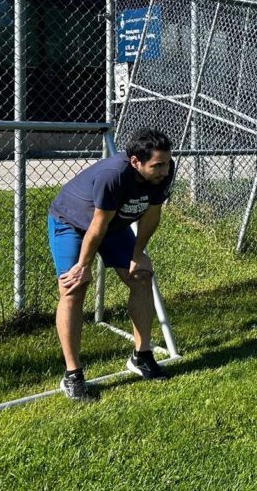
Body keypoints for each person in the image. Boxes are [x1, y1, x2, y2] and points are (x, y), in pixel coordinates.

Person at [47, 128, 176, 402]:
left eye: (167, 162)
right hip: (72, 223)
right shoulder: (113, 176)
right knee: (74, 287)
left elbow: (152, 215)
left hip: (112, 226)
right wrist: (84, 264)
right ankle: (73, 375)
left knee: (142, 275)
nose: (165, 170)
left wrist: (138, 253)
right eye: (158, 165)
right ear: (135, 162)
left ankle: (141, 357)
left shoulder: (164, 170)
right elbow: (96, 226)